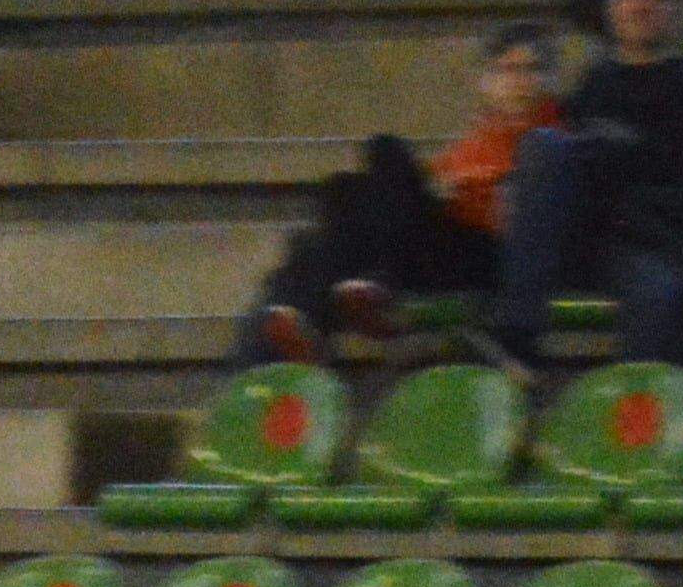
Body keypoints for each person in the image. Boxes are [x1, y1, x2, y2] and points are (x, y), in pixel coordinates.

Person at [493, 0, 683, 371]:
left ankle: (641, 420)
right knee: (541, 146)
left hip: (648, 238)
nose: (641, 4)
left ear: (680, 10)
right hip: (586, 233)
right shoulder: (593, 83)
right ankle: (517, 339)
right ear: (613, 3)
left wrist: (614, 154)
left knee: (659, 294)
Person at [240, 24, 564, 361]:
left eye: (532, 70)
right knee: (346, 197)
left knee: (373, 182)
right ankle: (296, 317)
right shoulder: (477, 141)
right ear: (485, 82)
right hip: (436, 245)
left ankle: (355, 293)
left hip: (488, 255)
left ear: (551, 80)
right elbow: (438, 182)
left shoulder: (555, 138)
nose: (519, 82)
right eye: (506, 70)